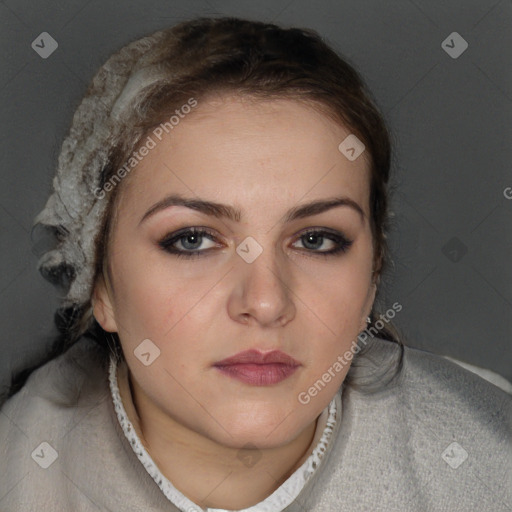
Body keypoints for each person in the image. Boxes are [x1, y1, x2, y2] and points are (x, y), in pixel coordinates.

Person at [0, 16, 510, 512]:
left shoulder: (490, 460)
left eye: (316, 239)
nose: (265, 302)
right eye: (193, 239)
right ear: (100, 284)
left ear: (373, 275)